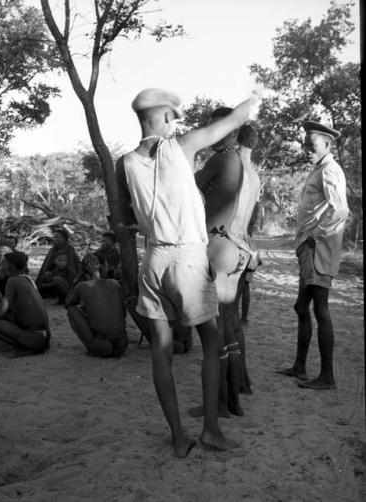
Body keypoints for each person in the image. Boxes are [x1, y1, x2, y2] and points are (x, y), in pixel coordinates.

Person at [116, 87, 260, 456]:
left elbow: (124, 217)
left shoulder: (125, 163)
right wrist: (254, 98)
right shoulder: (182, 146)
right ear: (164, 117)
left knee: (160, 351)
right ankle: (211, 429)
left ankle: (179, 437)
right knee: (212, 341)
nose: (174, 124)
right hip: (188, 258)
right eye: (173, 118)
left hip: (153, 259)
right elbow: (235, 119)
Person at [194, 111, 261, 417]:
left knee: (218, 327)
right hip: (239, 248)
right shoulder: (249, 169)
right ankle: (236, 389)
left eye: (217, 127)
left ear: (233, 132)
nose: (212, 133)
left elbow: (188, 186)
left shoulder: (222, 159)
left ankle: (222, 401)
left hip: (219, 245)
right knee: (231, 324)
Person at [277, 120, 348, 390]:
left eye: (312, 145)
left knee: (321, 309)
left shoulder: (330, 170)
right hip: (308, 250)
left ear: (327, 145)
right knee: (301, 307)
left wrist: (313, 238)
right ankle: (300, 366)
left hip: (317, 250)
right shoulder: (318, 169)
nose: (306, 149)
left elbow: (339, 210)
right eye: (305, 144)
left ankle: (327, 377)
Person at [0, 251, 51, 357]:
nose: (0, 266)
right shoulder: (27, 279)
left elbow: (2, 312)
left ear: (10, 265)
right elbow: (11, 307)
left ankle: (18, 344)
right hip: (43, 338)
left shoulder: (13, 281)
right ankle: (22, 342)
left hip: (33, 339)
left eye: (2, 263)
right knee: (0, 318)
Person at [65, 253, 129, 357]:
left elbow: (67, 304)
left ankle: (91, 346)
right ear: (104, 266)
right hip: (123, 343)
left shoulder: (82, 286)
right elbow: (123, 312)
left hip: (102, 345)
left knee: (72, 310)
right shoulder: (114, 283)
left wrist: (75, 280)